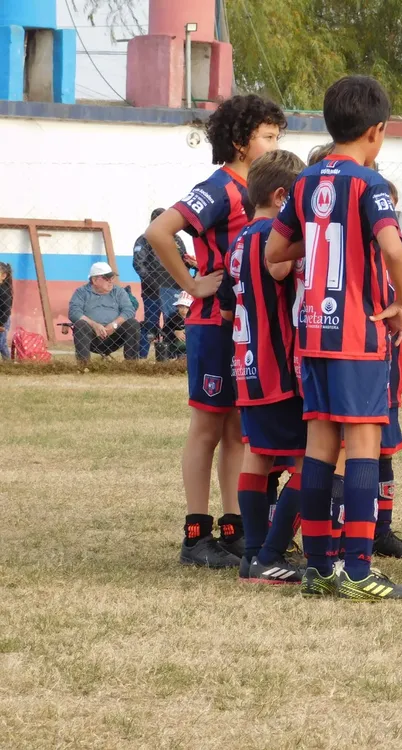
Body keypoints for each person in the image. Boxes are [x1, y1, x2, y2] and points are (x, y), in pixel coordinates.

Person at [265, 74, 402, 601]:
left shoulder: (305, 182)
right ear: (376, 131)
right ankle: (357, 569)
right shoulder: (369, 183)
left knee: (320, 448)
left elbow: (274, 255)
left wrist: (321, 255)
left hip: (314, 333)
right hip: (357, 332)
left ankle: (318, 567)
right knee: (365, 448)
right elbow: (393, 249)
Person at [145, 94, 286, 569]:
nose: (275, 144)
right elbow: (159, 232)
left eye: (277, 135)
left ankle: (233, 528)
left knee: (236, 431)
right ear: (240, 142)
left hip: (242, 325)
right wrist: (190, 282)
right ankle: (194, 535)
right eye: (267, 136)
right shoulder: (219, 187)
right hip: (213, 325)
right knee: (207, 427)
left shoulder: (262, 191)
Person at [220, 149, 309, 585]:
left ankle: (252, 555)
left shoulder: (240, 238)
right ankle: (270, 551)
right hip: (279, 369)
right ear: (281, 197)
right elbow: (281, 270)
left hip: (248, 367)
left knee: (257, 456)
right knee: (314, 459)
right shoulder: (273, 239)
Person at [330, 179, 402, 560]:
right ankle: (335, 536)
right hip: (352, 364)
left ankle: (380, 531)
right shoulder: (350, 262)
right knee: (340, 450)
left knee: (383, 450)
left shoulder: (394, 262)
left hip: (386, 371)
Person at [132, 208, 194, 359]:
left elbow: (182, 261)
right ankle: (142, 357)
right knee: (151, 323)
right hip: (152, 291)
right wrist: (155, 284)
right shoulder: (144, 239)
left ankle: (169, 355)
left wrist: (187, 270)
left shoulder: (177, 239)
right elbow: (138, 265)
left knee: (172, 323)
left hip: (174, 290)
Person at [67, 262, 141, 362]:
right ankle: (84, 366)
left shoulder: (118, 292)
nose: (110, 281)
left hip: (115, 335)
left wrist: (114, 325)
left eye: (112, 278)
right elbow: (74, 312)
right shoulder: (81, 292)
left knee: (133, 324)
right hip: (92, 336)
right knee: (80, 325)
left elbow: (129, 310)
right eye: (106, 278)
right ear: (94, 280)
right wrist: (95, 325)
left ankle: (131, 364)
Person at [0, 262, 12, 359]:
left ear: (3, 276)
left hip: (2, 319)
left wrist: (1, 324)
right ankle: (7, 360)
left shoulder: (4, 290)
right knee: (2, 343)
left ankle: (7, 361)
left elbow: (6, 309)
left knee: (1, 343)